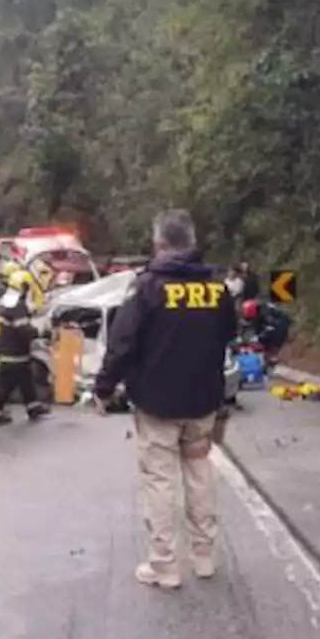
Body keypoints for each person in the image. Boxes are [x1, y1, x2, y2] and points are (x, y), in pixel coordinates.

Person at [94, 208, 238, 590]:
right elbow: (228, 334)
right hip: (204, 399)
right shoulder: (216, 288)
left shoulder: (148, 288)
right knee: (199, 470)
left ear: (159, 243)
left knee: (159, 480)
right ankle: (204, 557)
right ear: (191, 242)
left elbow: (122, 343)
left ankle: (165, 565)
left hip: (157, 402)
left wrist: (104, 388)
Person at [0, 271, 49, 425]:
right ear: (23, 286)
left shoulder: (8, 301)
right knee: (5, 385)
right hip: (13, 353)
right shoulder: (16, 305)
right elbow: (24, 330)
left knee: (26, 380)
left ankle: (33, 407)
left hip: (11, 350)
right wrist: (42, 332)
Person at [240, 299, 291, 368]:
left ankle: (272, 354)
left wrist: (259, 337)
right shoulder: (258, 312)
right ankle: (265, 352)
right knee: (260, 332)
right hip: (271, 322)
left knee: (271, 334)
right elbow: (248, 325)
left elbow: (270, 327)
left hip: (280, 324)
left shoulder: (266, 314)